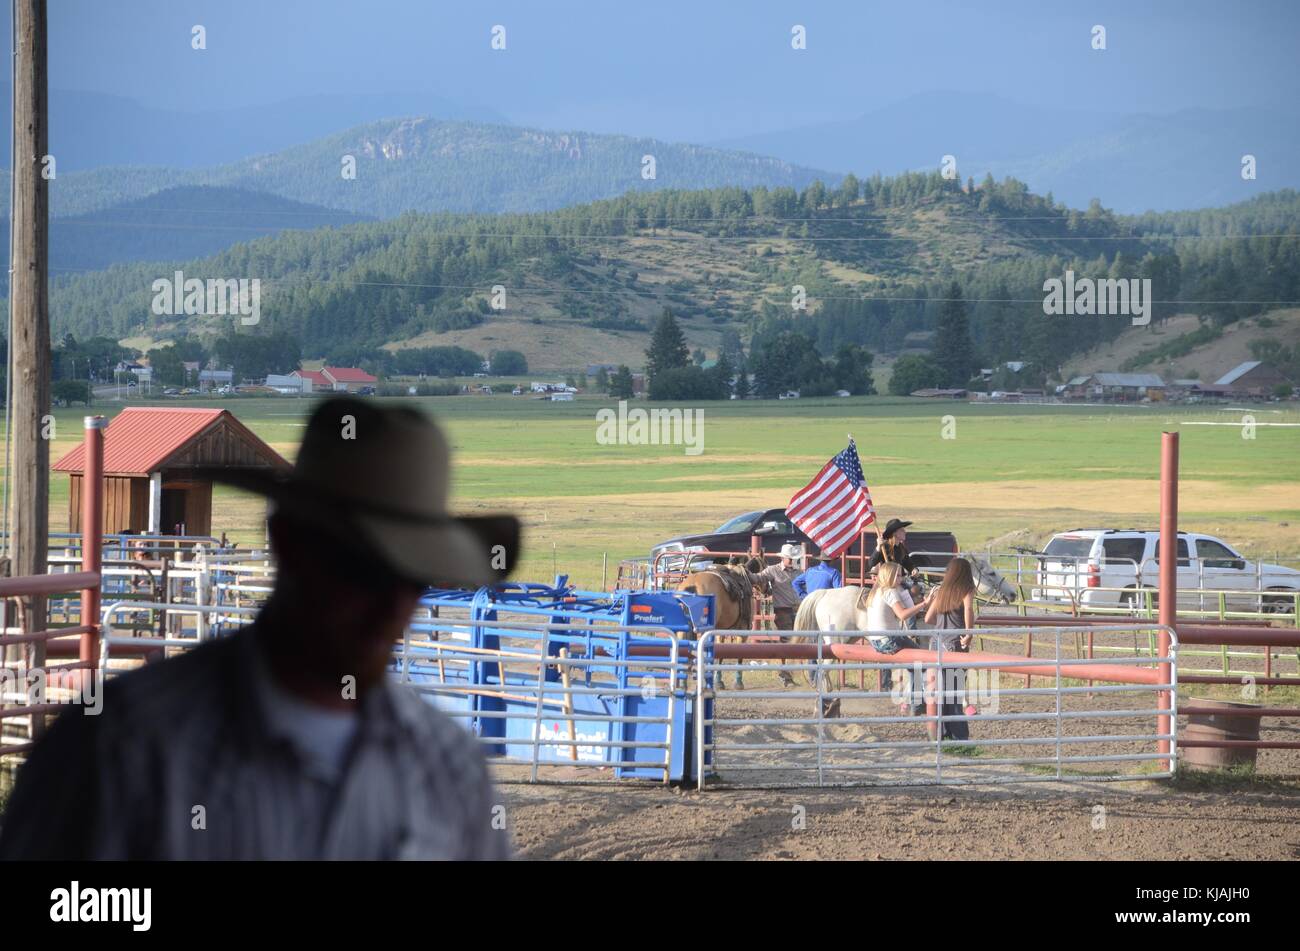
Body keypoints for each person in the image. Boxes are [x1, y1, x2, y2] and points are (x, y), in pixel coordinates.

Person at [0, 397, 521, 860]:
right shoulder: (120, 750)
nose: (391, 603)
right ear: (288, 542)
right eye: (362, 568)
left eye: (412, 575)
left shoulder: (451, 769)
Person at [864, 562, 930, 715]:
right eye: (898, 575)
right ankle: (917, 703)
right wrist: (924, 604)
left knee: (914, 665)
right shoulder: (890, 591)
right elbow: (903, 615)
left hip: (875, 640)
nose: (901, 579)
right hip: (889, 639)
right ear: (889, 576)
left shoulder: (875, 591)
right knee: (922, 660)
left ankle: (915, 702)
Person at [926, 557, 980, 738]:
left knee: (937, 691)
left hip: (935, 643)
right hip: (954, 644)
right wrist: (969, 633)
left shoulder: (942, 590)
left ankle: (939, 733)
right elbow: (968, 610)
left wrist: (941, 624)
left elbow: (928, 619)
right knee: (954, 691)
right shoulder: (966, 589)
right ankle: (958, 735)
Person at [755, 543, 804, 686]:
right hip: (782, 610)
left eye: (792, 558)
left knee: (796, 641)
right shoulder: (772, 571)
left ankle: (787, 674)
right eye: (789, 558)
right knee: (787, 641)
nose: (791, 560)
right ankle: (784, 674)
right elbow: (758, 578)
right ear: (783, 558)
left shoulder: (798, 572)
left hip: (797, 609)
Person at [867, 518, 924, 601]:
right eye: (901, 530)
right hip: (887, 581)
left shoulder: (901, 547)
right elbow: (871, 563)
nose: (905, 532)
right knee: (912, 592)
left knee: (919, 590)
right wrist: (878, 547)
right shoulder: (884, 547)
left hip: (899, 580)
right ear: (895, 533)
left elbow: (908, 563)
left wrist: (913, 569)